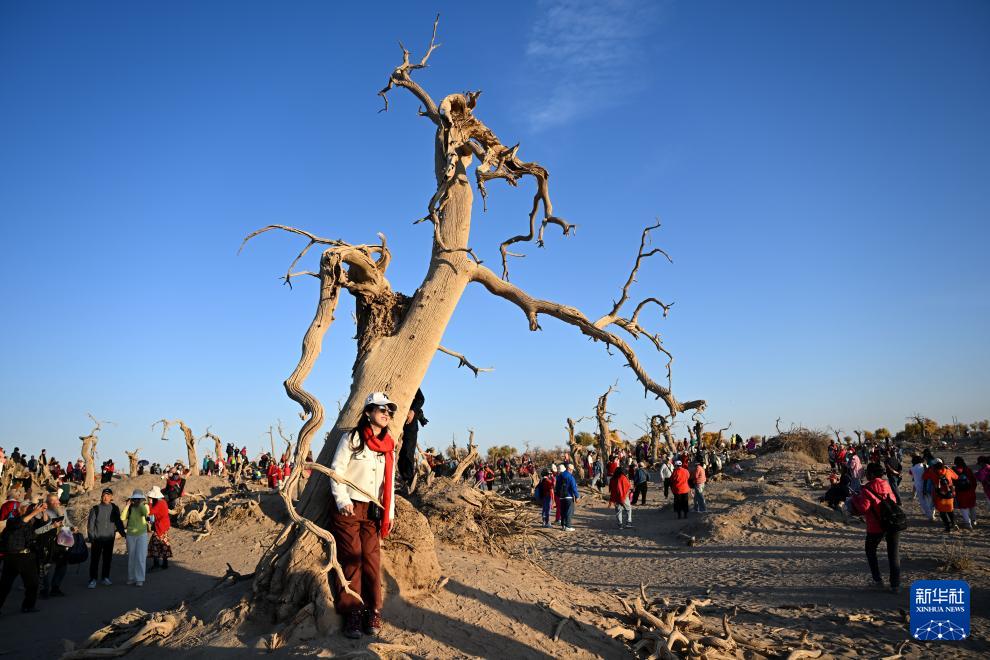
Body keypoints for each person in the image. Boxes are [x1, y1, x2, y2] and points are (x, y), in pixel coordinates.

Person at [329, 392, 398, 639]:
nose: (385, 413)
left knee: (371, 559)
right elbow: (336, 471)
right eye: (380, 409)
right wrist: (342, 500)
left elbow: (388, 485)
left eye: (389, 410)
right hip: (348, 508)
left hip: (372, 511)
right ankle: (353, 613)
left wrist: (388, 515)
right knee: (351, 558)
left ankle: (373, 610)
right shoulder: (353, 438)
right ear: (368, 412)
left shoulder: (389, 446)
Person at [851, 463, 901, 593]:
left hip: (876, 526)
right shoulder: (887, 484)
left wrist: (855, 498)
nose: (866, 474)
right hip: (892, 523)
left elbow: (863, 508)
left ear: (871, 474)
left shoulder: (867, 489)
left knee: (870, 551)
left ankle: (877, 580)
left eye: (867, 472)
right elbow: (894, 500)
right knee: (893, 554)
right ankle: (895, 585)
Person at [0, 499, 47, 614]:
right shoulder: (12, 521)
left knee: (32, 584)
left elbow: (42, 526)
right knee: (4, 586)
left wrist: (43, 511)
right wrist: (34, 512)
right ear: (20, 510)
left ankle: (28, 606)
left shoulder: (31, 523)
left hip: (27, 557)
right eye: (28, 508)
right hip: (12, 558)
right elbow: (20, 523)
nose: (31, 509)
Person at [86, 487, 125, 588]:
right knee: (95, 560)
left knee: (107, 559)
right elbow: (90, 525)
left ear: (111, 497)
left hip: (109, 538)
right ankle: (93, 579)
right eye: (104, 495)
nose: (105, 497)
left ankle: (105, 577)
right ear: (101, 496)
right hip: (97, 539)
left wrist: (124, 534)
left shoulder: (115, 508)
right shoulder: (95, 509)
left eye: (108, 495)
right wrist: (91, 537)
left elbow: (118, 522)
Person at [36, 493, 70, 598]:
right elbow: (37, 531)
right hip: (46, 543)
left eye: (57, 500)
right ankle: (44, 590)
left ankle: (55, 587)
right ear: (47, 502)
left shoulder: (62, 510)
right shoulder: (40, 513)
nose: (56, 503)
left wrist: (72, 528)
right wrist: (52, 526)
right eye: (53, 501)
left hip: (60, 542)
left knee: (62, 566)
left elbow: (67, 523)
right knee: (46, 567)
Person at [120, 490, 150, 587]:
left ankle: (140, 579)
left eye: (138, 498)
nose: (136, 500)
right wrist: (127, 505)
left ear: (141, 499)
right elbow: (122, 518)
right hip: (130, 535)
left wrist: (141, 504)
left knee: (140, 557)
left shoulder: (143, 506)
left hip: (142, 534)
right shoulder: (130, 508)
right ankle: (131, 577)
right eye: (135, 498)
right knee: (131, 557)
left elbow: (146, 514)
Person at [398, 389, 427, 485]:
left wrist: (413, 410)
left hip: (410, 425)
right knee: (399, 454)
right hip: (394, 422)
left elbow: (421, 399)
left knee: (407, 452)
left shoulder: (412, 382)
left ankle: (409, 481)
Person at [146, 486, 172, 571]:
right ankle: (165, 564)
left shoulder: (159, 503)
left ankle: (156, 564)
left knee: (155, 544)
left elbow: (150, 512)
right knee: (164, 544)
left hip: (161, 526)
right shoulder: (162, 502)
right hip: (164, 525)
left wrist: (149, 503)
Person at [930, 459, 959, 532]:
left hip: (940, 496)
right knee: (950, 510)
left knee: (942, 512)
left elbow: (934, 484)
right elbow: (956, 477)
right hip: (950, 493)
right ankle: (954, 523)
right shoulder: (948, 471)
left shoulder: (934, 474)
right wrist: (949, 468)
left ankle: (947, 527)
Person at [952, 457, 977, 529]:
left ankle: (967, 523)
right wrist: (973, 489)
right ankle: (974, 520)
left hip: (960, 492)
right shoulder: (968, 469)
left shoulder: (954, 470)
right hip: (970, 491)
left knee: (964, 507)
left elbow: (953, 482)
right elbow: (974, 481)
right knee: (972, 506)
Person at [554, 463, 579, 531]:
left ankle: (563, 526)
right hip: (568, 496)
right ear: (569, 469)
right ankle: (568, 526)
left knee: (563, 512)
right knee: (569, 511)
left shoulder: (560, 476)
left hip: (561, 497)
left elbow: (556, 486)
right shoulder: (570, 477)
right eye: (572, 470)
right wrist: (577, 496)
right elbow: (574, 487)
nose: (572, 471)